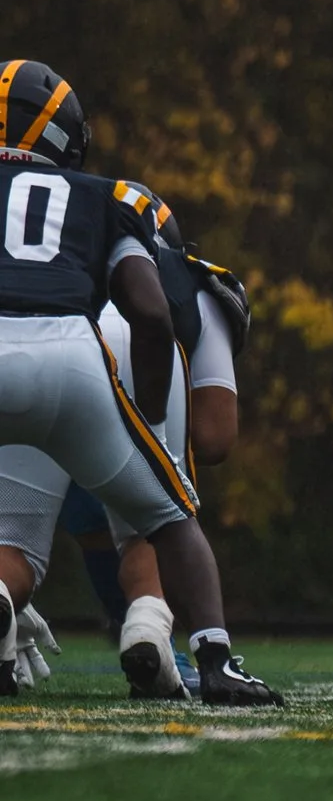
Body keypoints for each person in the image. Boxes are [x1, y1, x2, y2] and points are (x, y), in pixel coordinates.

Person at [0, 58, 279, 706]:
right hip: (74, 353)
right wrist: (148, 418)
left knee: (12, 541)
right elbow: (153, 318)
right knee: (166, 516)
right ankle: (207, 655)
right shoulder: (115, 201)